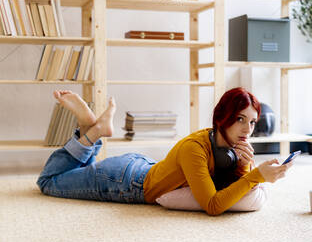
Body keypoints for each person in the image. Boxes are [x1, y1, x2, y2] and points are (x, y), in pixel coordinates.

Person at [37, 88, 293, 216]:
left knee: (78, 172)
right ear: (222, 118)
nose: (247, 128)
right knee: (48, 182)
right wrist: (257, 175)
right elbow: (214, 205)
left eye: (252, 122)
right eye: (240, 119)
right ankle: (92, 133)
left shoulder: (232, 147)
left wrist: (246, 166)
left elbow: (235, 186)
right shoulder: (196, 147)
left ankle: (89, 128)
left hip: (140, 168)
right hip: (124, 182)